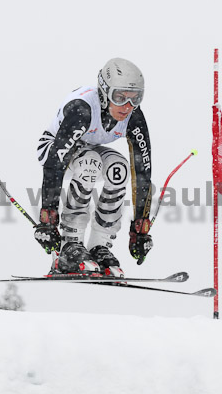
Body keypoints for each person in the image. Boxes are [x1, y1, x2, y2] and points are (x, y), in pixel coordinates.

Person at [34, 58, 154, 277]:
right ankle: (70, 245)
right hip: (53, 148)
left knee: (120, 169)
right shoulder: (83, 109)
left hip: (89, 147)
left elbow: (142, 170)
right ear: (104, 91)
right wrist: (48, 218)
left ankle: (100, 245)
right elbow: (55, 164)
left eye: (135, 98)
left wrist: (139, 227)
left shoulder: (133, 116)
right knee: (90, 162)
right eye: (119, 97)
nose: (127, 106)